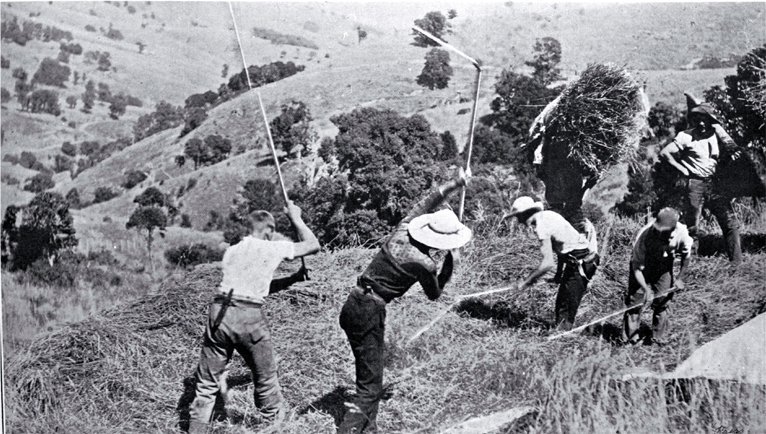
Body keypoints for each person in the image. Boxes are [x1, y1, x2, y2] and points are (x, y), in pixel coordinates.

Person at [338, 170, 472, 434]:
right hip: (369, 310)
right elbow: (435, 294)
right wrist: (449, 264)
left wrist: (455, 183)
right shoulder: (423, 263)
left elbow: (427, 201)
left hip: (353, 302)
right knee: (370, 387)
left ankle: (369, 429)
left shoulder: (401, 231)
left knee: (370, 376)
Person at [187, 203, 320, 434]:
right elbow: (313, 245)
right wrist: (296, 218)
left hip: (219, 312)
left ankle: (195, 430)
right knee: (266, 378)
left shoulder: (234, 249)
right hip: (247, 317)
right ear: (268, 231)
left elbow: (255, 286)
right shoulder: (270, 247)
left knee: (206, 385)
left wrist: (293, 279)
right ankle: (274, 427)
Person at [658, 94, 742, 267]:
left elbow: (729, 158)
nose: (701, 123)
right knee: (693, 227)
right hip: (694, 184)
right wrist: (682, 168)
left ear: (711, 120)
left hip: (715, 185)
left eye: (705, 119)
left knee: (730, 224)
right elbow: (665, 152)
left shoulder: (718, 136)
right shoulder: (686, 136)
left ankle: (737, 264)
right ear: (694, 119)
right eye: (698, 119)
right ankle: (690, 265)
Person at [508, 196, 599, 331]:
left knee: (566, 307)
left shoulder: (541, 226)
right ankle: (561, 333)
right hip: (576, 260)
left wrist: (527, 282)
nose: (519, 221)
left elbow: (547, 263)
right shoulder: (547, 216)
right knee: (562, 303)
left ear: (526, 213)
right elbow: (563, 246)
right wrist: (558, 274)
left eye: (518, 217)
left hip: (583, 261)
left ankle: (564, 340)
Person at [622, 207, 692, 345]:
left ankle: (658, 338)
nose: (659, 235)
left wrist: (679, 278)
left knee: (662, 301)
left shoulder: (682, 233)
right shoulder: (644, 237)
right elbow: (636, 269)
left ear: (673, 229)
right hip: (643, 266)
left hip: (664, 266)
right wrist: (646, 289)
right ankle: (630, 340)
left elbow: (686, 257)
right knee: (634, 303)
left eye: (663, 233)